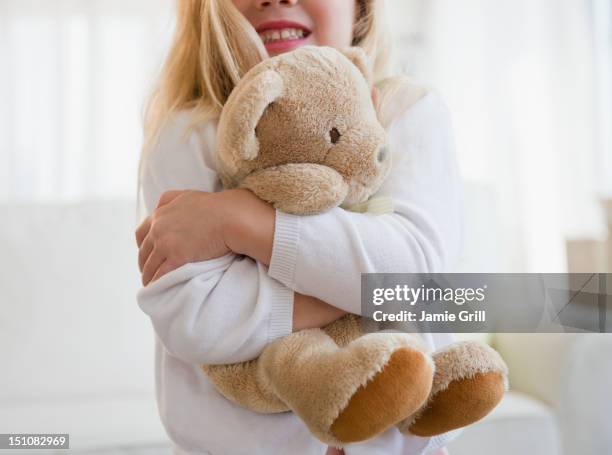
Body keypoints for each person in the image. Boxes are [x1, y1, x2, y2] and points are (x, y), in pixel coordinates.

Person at [134, 0, 464, 454]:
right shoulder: (187, 133)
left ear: (361, 9)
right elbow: (194, 318)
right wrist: (356, 290)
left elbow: (415, 277)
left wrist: (238, 221)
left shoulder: (406, 111)